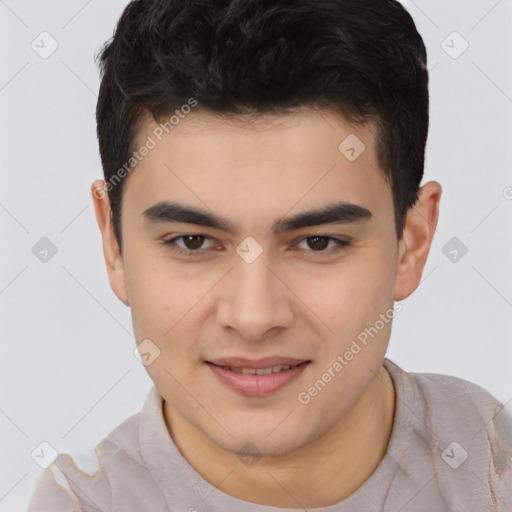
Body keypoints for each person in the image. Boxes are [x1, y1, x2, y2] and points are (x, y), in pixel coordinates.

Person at [27, 0, 512, 510]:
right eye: (192, 241)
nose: (254, 317)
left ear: (411, 243)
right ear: (113, 242)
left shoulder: (492, 471)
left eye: (317, 242)